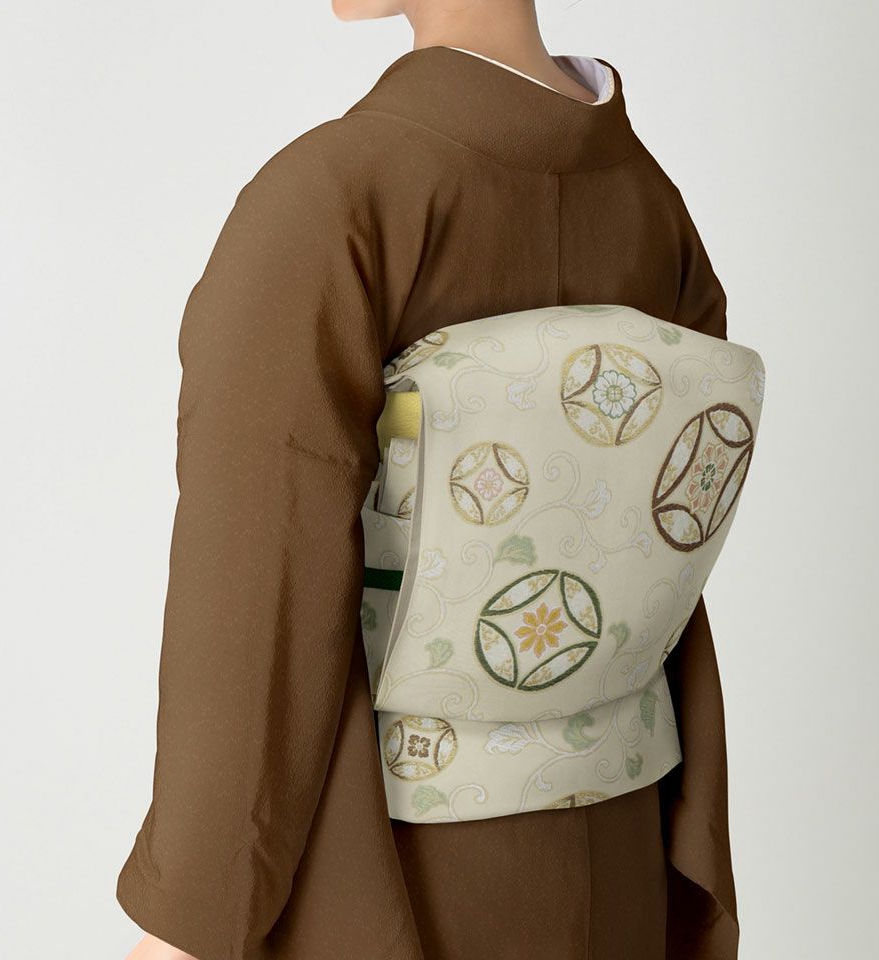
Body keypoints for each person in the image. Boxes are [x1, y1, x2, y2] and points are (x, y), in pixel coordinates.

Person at [120, 2, 740, 958]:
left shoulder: (334, 197)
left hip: (386, 874)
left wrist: (193, 916)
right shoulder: (652, 205)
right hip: (621, 848)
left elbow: (257, 578)